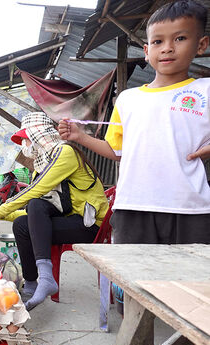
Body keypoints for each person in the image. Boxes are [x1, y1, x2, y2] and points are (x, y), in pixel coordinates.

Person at [59, 0, 210, 246]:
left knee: (188, 280)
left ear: (201, 45)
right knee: (136, 280)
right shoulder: (128, 99)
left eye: (180, 38)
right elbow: (118, 151)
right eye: (158, 41)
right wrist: (80, 136)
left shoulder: (205, 90)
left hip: (190, 208)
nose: (167, 48)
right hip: (133, 206)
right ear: (146, 51)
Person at [0, 113, 108, 311]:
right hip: (70, 219)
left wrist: (1, 209)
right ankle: (31, 283)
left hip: (89, 224)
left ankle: (46, 277)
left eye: (25, 139)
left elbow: (35, 191)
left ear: (38, 134)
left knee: (36, 203)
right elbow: (38, 216)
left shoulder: (65, 153)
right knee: (22, 224)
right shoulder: (42, 164)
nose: (24, 144)